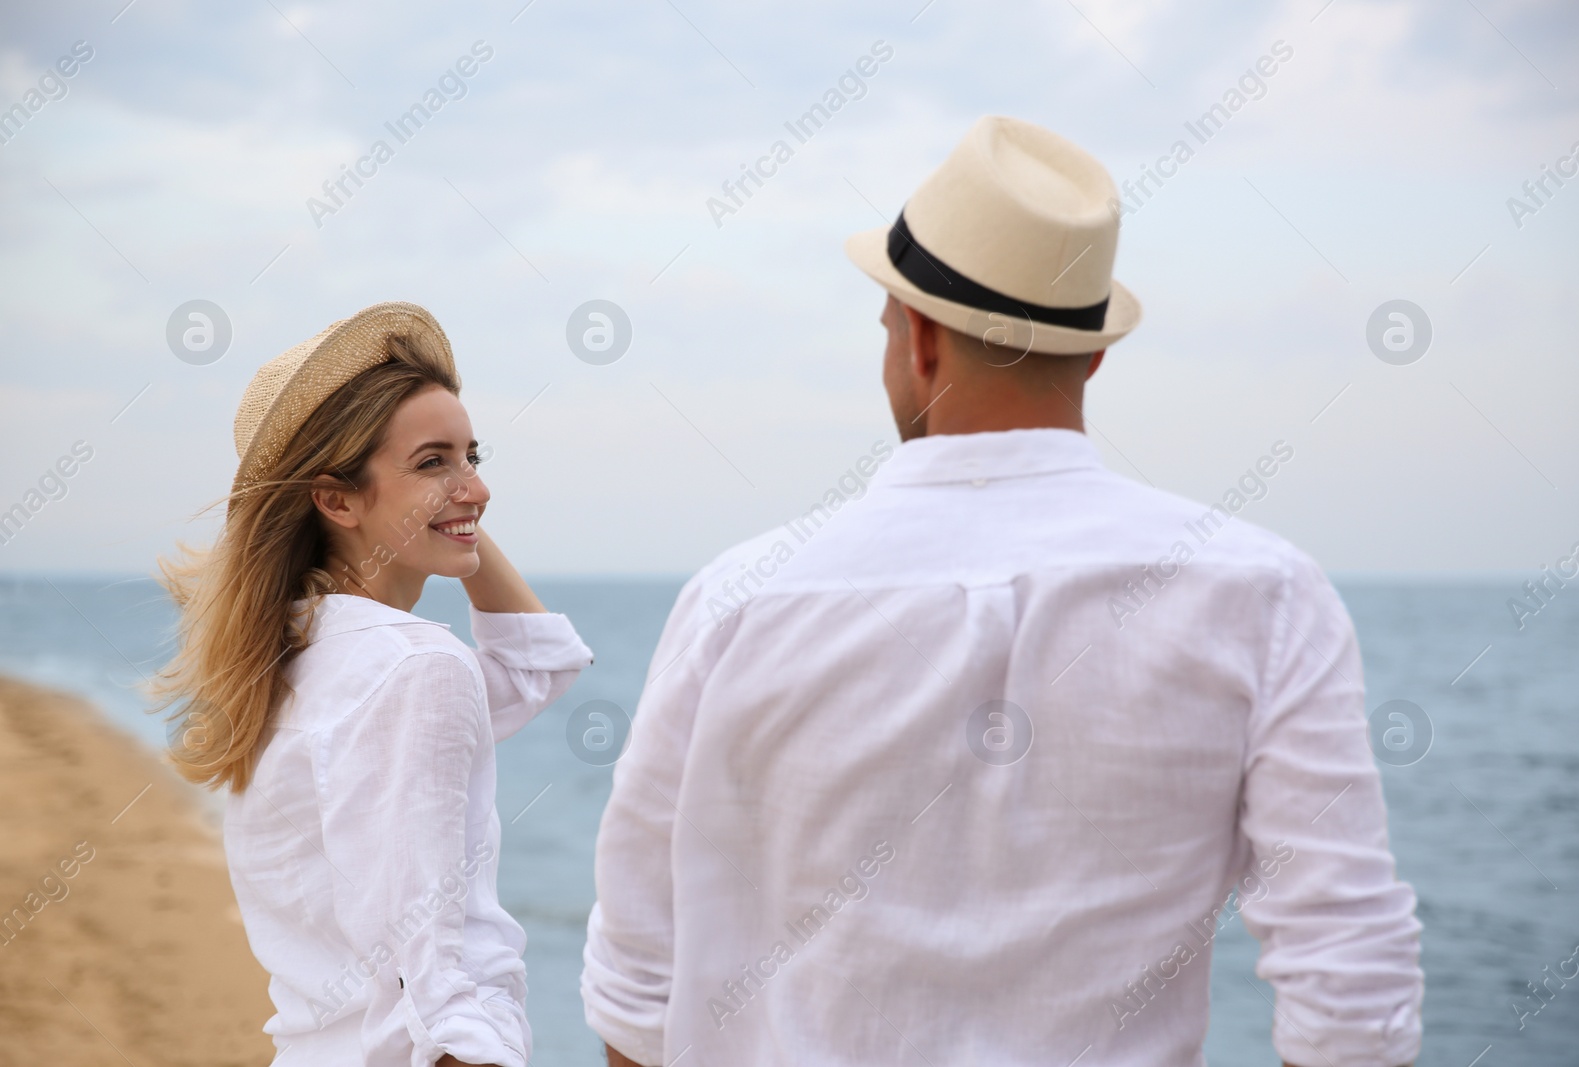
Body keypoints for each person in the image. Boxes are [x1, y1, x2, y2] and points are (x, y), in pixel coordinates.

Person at [580, 117, 1423, 1066]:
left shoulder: (741, 602)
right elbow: (1352, 988)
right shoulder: (1266, 594)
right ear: (1094, 352)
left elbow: (640, 983)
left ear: (924, 343)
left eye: (890, 326)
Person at [154, 302, 593, 1066]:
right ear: (335, 497)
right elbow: (428, 986)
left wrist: (441, 506)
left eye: (473, 455)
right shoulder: (415, 665)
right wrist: (443, 512)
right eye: (433, 460)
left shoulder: (294, 654)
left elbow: (535, 665)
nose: (478, 488)